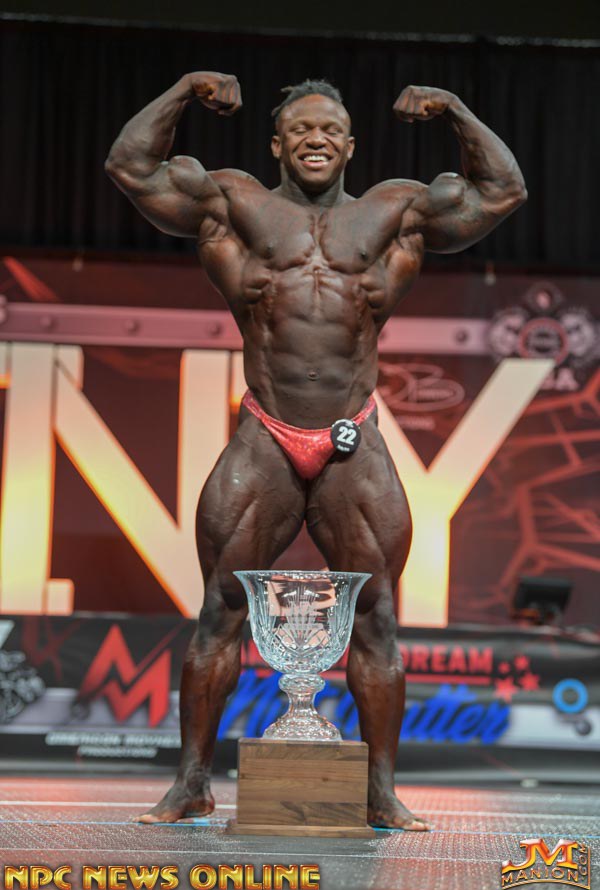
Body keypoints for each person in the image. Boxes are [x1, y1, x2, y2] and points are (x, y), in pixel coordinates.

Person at [105, 72, 526, 829]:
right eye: (300, 129)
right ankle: (192, 782)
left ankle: (379, 792)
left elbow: (502, 192)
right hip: (264, 435)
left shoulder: (395, 211)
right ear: (277, 144)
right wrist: (182, 90)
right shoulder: (233, 203)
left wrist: (457, 109)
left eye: (329, 129)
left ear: (351, 145)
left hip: (351, 440)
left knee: (377, 618)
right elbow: (130, 167)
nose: (315, 139)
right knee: (221, 609)